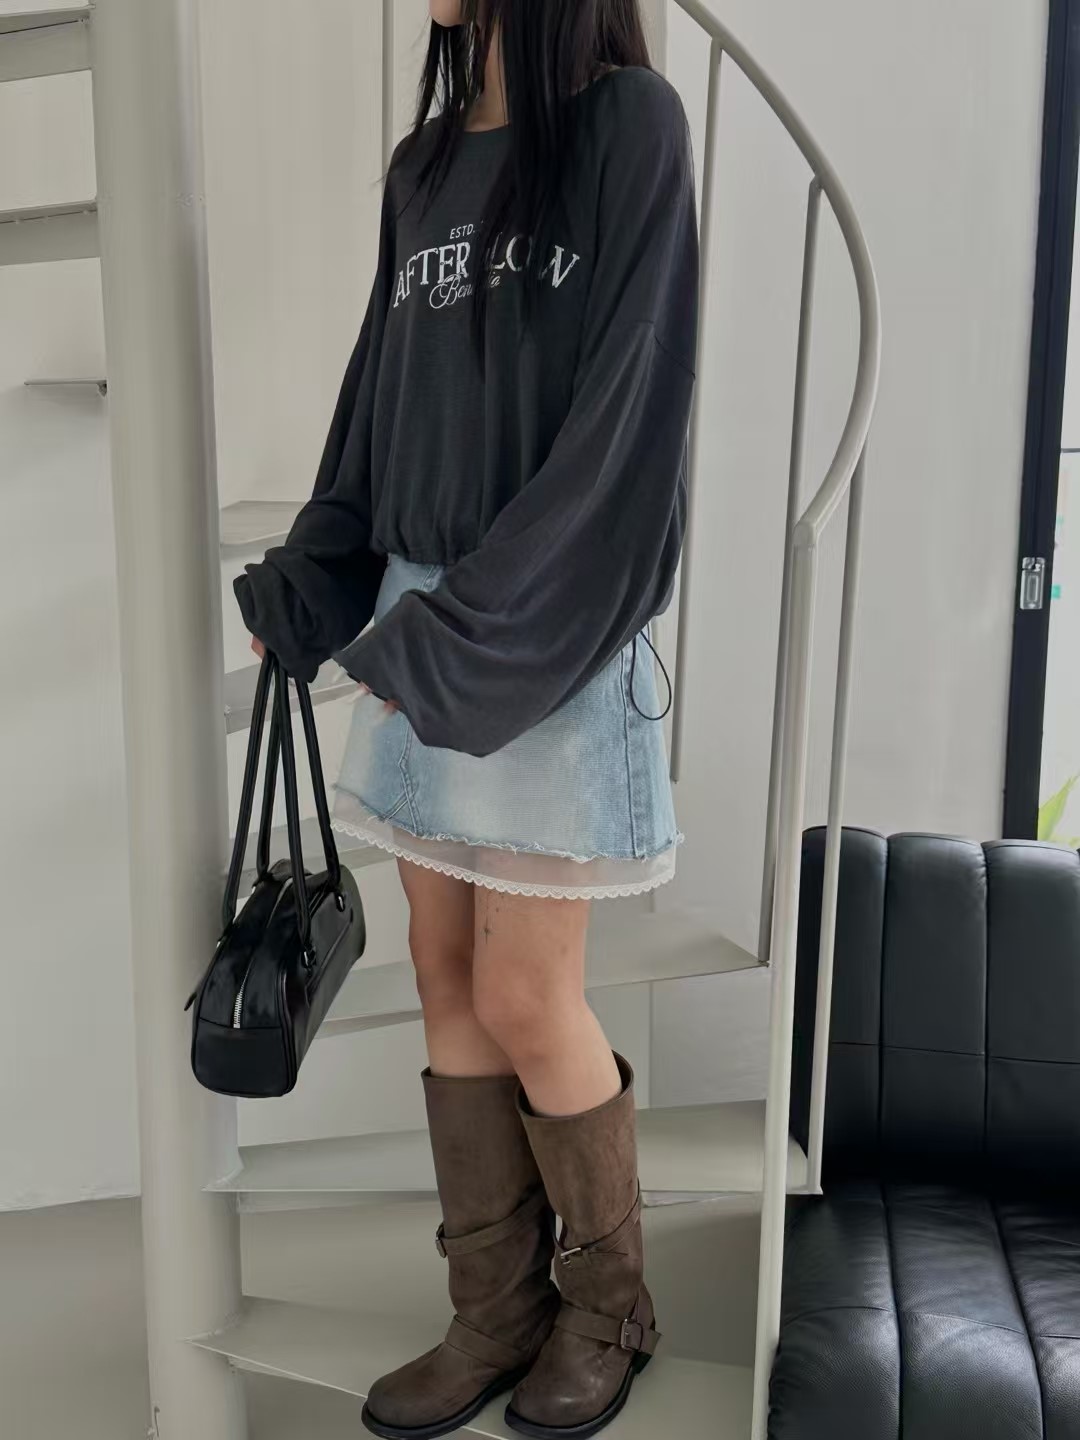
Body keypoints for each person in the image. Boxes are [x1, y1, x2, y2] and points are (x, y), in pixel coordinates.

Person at [235, 1, 698, 1435]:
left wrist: (467, 627)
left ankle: (608, 1310)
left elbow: (628, 420)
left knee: (523, 994)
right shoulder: (424, 166)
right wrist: (320, 579)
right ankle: (493, 1314)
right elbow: (374, 407)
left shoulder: (630, 128)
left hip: (546, 619)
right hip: (422, 610)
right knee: (444, 975)